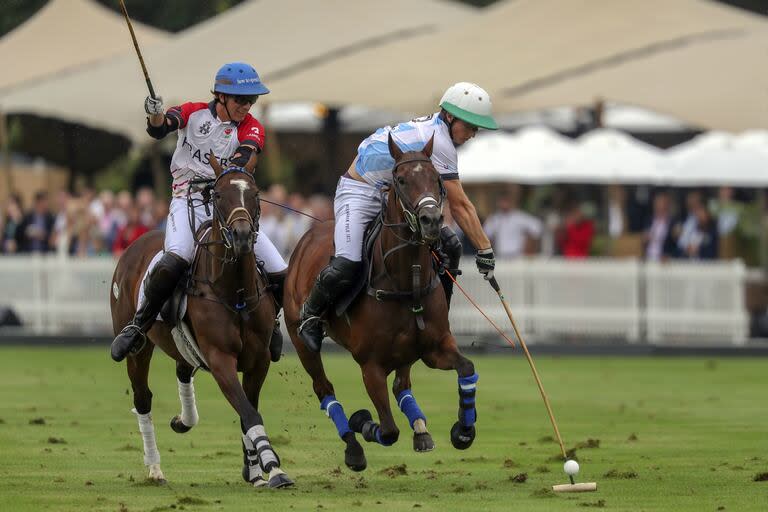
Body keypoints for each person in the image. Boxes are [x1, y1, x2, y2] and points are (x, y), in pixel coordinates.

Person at [297, 82, 499, 352]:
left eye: (477, 128)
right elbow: (460, 205)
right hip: (358, 190)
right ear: (450, 117)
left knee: (450, 245)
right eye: (471, 126)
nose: (474, 134)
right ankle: (310, 314)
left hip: (392, 194)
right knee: (347, 262)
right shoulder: (440, 143)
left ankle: (439, 321)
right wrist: (485, 249)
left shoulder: (439, 132)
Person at [111, 62, 287, 362]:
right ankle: (139, 324)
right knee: (177, 256)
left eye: (251, 100)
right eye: (240, 100)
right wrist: (155, 113)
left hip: (227, 202)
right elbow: (160, 128)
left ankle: (271, 323)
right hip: (187, 198)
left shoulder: (252, 126)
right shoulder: (194, 112)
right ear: (220, 96)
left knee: (279, 269)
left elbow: (246, 157)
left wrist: (231, 171)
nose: (247, 106)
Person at [483, 193, 542, 258]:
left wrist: (529, 244)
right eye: (502, 201)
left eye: (506, 201)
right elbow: (485, 235)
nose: (504, 204)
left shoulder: (520, 217)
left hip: (518, 256)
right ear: (498, 203)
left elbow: (537, 228)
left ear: (511, 202)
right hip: (500, 256)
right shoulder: (494, 219)